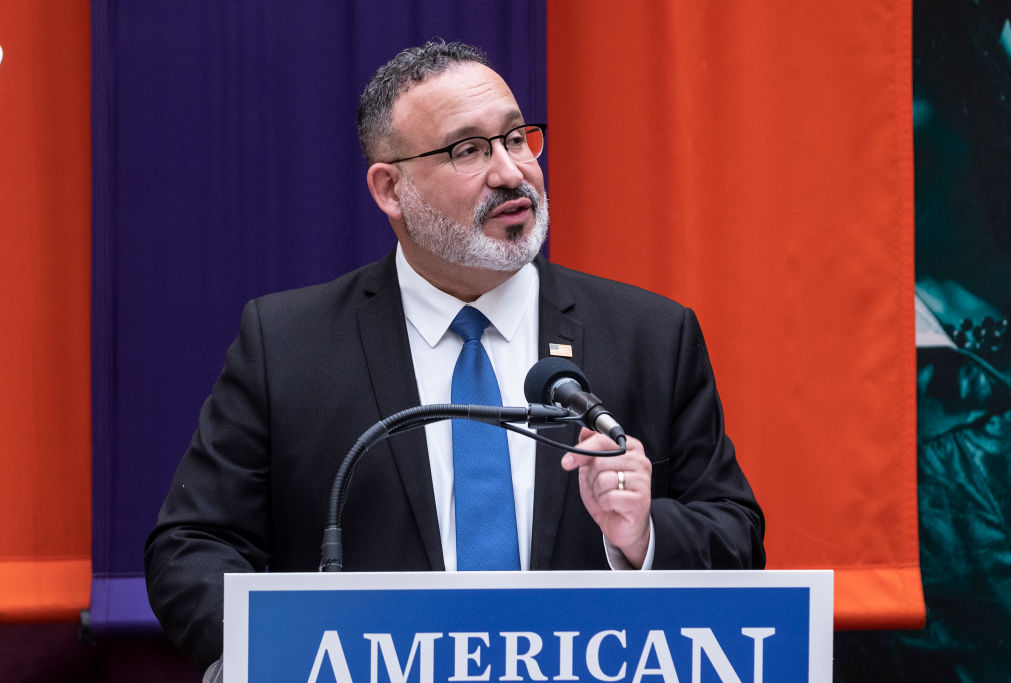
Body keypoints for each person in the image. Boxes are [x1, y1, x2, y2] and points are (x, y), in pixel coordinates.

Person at [144, 40, 766, 675]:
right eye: (468, 150)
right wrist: (279, 651)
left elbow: (735, 535)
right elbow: (193, 546)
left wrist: (642, 537)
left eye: (517, 138)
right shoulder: (289, 344)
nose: (511, 172)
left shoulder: (649, 335)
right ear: (390, 188)